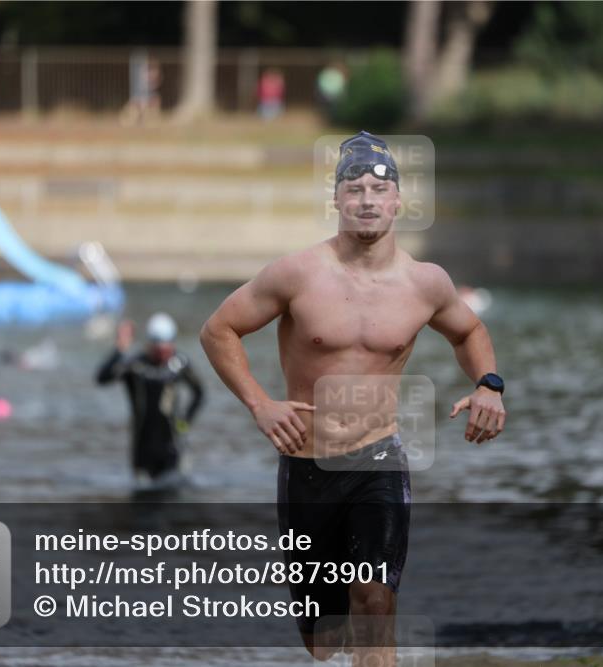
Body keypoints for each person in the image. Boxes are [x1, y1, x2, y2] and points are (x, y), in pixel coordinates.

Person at [200, 131, 506, 662]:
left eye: (377, 189)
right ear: (337, 200)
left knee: (373, 597)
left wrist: (489, 385)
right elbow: (218, 330)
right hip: (307, 466)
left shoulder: (425, 283)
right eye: (355, 188)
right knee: (322, 640)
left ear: (398, 202)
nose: (367, 200)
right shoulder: (296, 273)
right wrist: (260, 403)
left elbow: (469, 333)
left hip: (378, 457)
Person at [97, 313, 204, 483]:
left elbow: (199, 393)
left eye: (167, 346)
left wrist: (185, 422)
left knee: (175, 498)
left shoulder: (179, 363)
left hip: (171, 446)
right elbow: (102, 378)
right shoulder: (135, 365)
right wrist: (119, 349)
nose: (163, 352)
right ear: (150, 344)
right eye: (158, 347)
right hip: (143, 448)